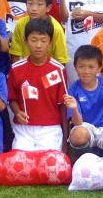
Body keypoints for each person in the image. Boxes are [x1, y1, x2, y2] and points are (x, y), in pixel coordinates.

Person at [7, 18, 68, 151]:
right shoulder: (16, 69)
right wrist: (17, 112)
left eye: (43, 40)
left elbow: (63, 105)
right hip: (24, 128)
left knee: (48, 165)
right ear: (26, 42)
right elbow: (12, 98)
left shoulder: (58, 70)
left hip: (50, 128)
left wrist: (65, 139)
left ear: (50, 43)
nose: (38, 45)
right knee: (22, 164)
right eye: (34, 40)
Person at [65, 45, 103, 155]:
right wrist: (74, 109)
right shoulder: (73, 90)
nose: (86, 71)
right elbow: (78, 123)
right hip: (85, 126)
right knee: (78, 135)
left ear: (99, 67)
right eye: (81, 66)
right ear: (75, 67)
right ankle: (84, 159)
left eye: (91, 67)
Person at [9, 0, 69, 64]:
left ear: (49, 7)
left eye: (39, 4)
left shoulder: (56, 28)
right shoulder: (21, 24)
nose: (34, 8)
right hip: (26, 70)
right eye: (30, 3)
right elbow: (15, 54)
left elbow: (61, 60)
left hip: (48, 72)